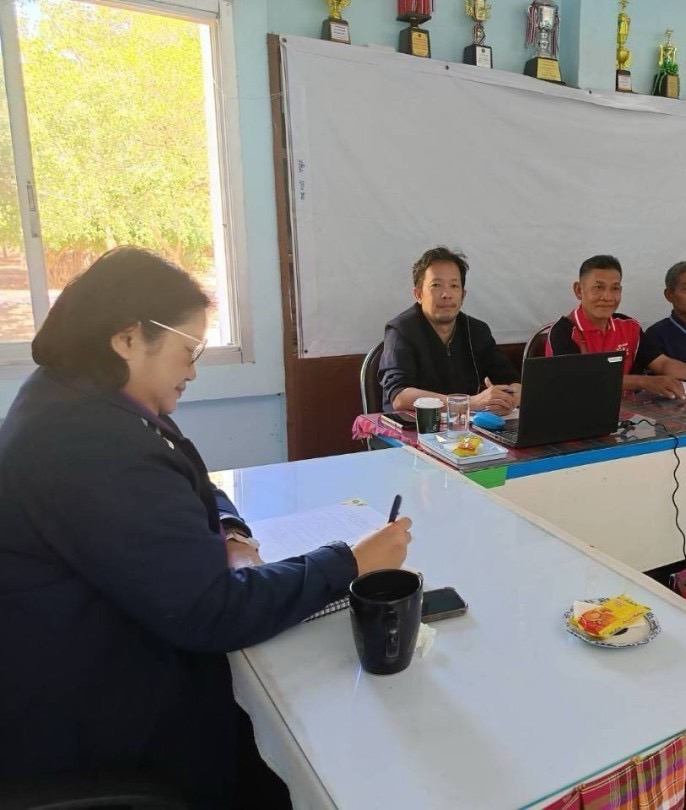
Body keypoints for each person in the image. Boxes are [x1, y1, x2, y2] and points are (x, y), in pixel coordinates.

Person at [0, 248, 412, 807]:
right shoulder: (85, 443)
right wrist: (351, 562)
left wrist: (234, 536)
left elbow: (193, 475)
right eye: (187, 350)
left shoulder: (86, 398)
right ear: (127, 339)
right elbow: (211, 612)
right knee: (308, 745)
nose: (194, 370)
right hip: (98, 717)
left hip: (104, 656)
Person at [546, 255, 686, 399]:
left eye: (615, 288)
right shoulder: (563, 332)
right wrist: (643, 381)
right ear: (579, 290)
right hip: (576, 418)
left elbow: (662, 363)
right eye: (598, 288)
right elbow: (578, 381)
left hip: (628, 420)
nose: (607, 297)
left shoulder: (629, 327)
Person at [379, 246, 520, 415]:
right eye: (436, 285)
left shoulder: (477, 331)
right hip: (415, 430)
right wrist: (470, 403)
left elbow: (513, 382)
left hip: (468, 430)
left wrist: (510, 398)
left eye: (454, 286)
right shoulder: (401, 330)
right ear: (418, 294)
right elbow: (400, 396)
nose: (447, 294)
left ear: (463, 294)